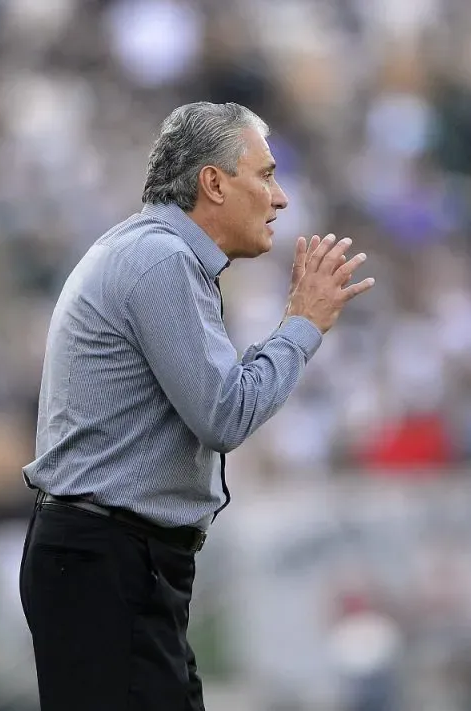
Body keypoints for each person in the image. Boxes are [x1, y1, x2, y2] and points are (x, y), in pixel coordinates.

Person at [18, 101, 375, 711]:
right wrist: (302, 325)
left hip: (112, 562)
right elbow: (224, 414)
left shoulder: (154, 253)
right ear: (213, 183)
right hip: (107, 562)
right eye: (264, 175)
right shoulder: (161, 261)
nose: (281, 198)